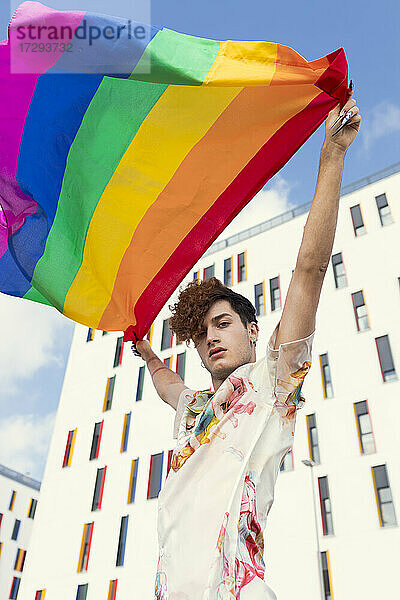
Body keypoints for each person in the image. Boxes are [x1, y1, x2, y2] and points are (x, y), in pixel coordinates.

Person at [134, 89, 361, 599]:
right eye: (202, 333)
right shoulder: (193, 410)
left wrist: (332, 156)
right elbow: (168, 384)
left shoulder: (274, 381)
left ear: (251, 330)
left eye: (222, 323)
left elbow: (308, 272)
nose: (211, 337)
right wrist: (149, 353)